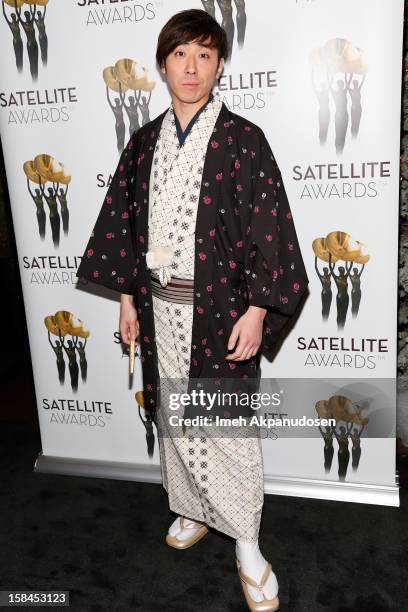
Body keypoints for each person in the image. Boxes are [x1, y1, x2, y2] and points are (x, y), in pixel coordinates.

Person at [76, 9, 308, 610]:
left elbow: (270, 231)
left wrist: (259, 309)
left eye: (205, 55)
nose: (192, 67)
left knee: (226, 429)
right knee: (175, 420)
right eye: (181, 54)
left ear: (221, 65)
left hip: (221, 311)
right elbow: (124, 227)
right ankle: (191, 508)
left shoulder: (242, 141)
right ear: (163, 63)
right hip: (159, 313)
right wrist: (127, 298)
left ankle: (249, 545)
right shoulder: (144, 142)